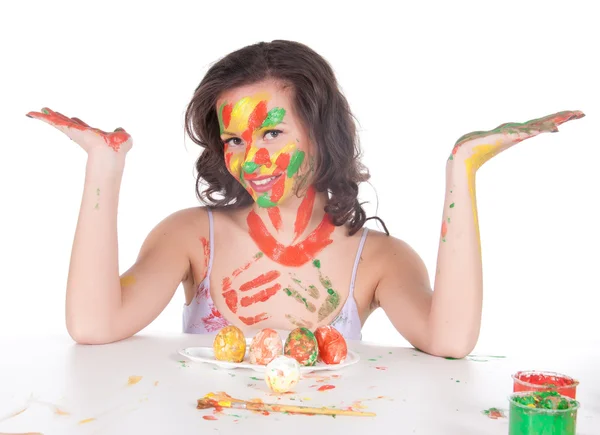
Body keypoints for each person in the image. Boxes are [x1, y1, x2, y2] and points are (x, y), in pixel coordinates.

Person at [26, 40, 583, 357]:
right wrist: (104, 168)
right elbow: (94, 326)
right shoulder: (190, 236)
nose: (253, 159)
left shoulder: (381, 259)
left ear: (322, 133)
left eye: (273, 133)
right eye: (237, 139)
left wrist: (462, 171)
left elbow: (452, 342)